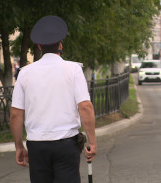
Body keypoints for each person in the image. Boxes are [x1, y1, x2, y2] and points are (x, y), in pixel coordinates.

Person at [10, 15, 97, 183]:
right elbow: (85, 106)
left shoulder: (25, 73)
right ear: (61, 44)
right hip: (66, 144)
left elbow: (15, 113)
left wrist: (19, 146)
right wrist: (92, 142)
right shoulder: (73, 70)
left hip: (37, 145)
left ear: (39, 45)